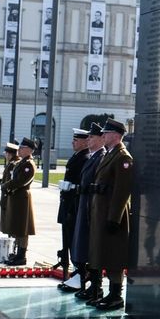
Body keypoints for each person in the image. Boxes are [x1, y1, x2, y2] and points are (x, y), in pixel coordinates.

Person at [87, 119, 134, 311]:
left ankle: (116, 295)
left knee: (114, 255)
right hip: (102, 211)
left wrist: (114, 218)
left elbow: (122, 191)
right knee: (103, 252)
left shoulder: (123, 157)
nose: (103, 136)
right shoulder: (111, 154)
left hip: (112, 214)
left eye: (106, 133)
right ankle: (108, 293)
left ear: (115, 135)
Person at [71, 124, 105, 299]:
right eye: (88, 137)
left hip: (92, 205)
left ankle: (95, 287)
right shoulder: (94, 156)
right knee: (84, 245)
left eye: (92, 137)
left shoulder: (101, 156)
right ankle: (89, 286)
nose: (89, 140)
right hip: (85, 203)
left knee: (91, 247)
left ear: (101, 139)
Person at [56, 129, 90, 288]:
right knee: (67, 239)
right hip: (67, 203)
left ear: (84, 142)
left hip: (74, 205)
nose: (72, 142)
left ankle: (79, 272)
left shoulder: (85, 157)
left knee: (73, 240)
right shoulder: (77, 156)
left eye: (76, 140)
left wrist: (72, 187)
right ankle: (76, 273)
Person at [0, 138, 37, 265]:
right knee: (16, 227)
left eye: (22, 148)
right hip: (17, 199)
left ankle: (21, 255)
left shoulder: (28, 164)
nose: (19, 150)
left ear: (29, 150)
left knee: (22, 229)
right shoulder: (23, 162)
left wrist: (6, 185)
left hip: (22, 199)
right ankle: (17, 254)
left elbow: (21, 181)